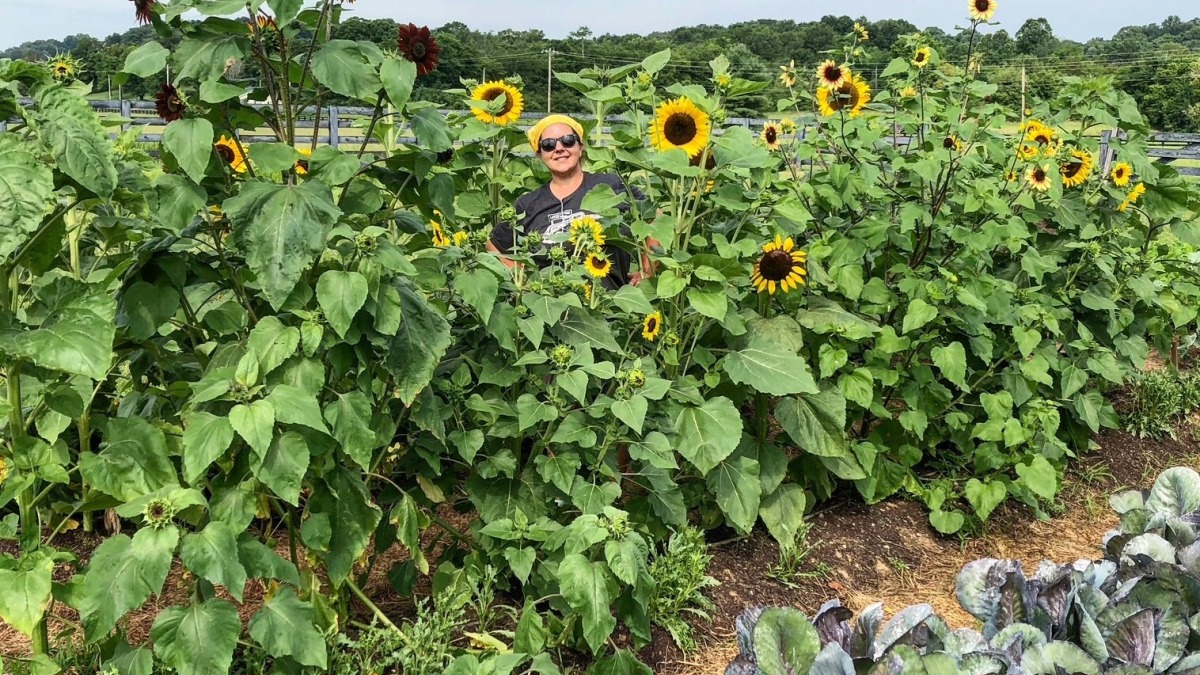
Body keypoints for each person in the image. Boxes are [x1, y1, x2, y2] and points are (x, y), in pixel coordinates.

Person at [488, 114, 657, 290]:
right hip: (551, 311)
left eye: (567, 140)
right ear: (539, 154)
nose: (559, 148)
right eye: (548, 145)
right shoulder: (528, 204)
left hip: (610, 307)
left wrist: (647, 270)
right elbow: (495, 245)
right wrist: (523, 283)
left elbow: (654, 218)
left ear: (580, 146)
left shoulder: (610, 186)